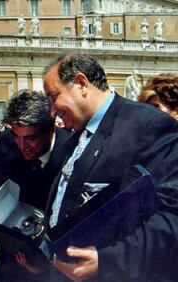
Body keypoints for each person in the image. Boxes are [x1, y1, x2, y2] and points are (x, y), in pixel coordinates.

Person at [43, 53, 178, 281]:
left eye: (53, 97)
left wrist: (108, 260)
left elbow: (172, 215)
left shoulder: (149, 125)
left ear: (81, 84)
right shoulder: (75, 136)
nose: (52, 110)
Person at [0, 89, 72, 282]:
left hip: (54, 263)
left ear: (51, 129)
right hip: (13, 255)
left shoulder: (72, 150)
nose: (22, 145)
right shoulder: (9, 142)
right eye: (17, 136)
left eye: (31, 138)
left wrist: (46, 267)